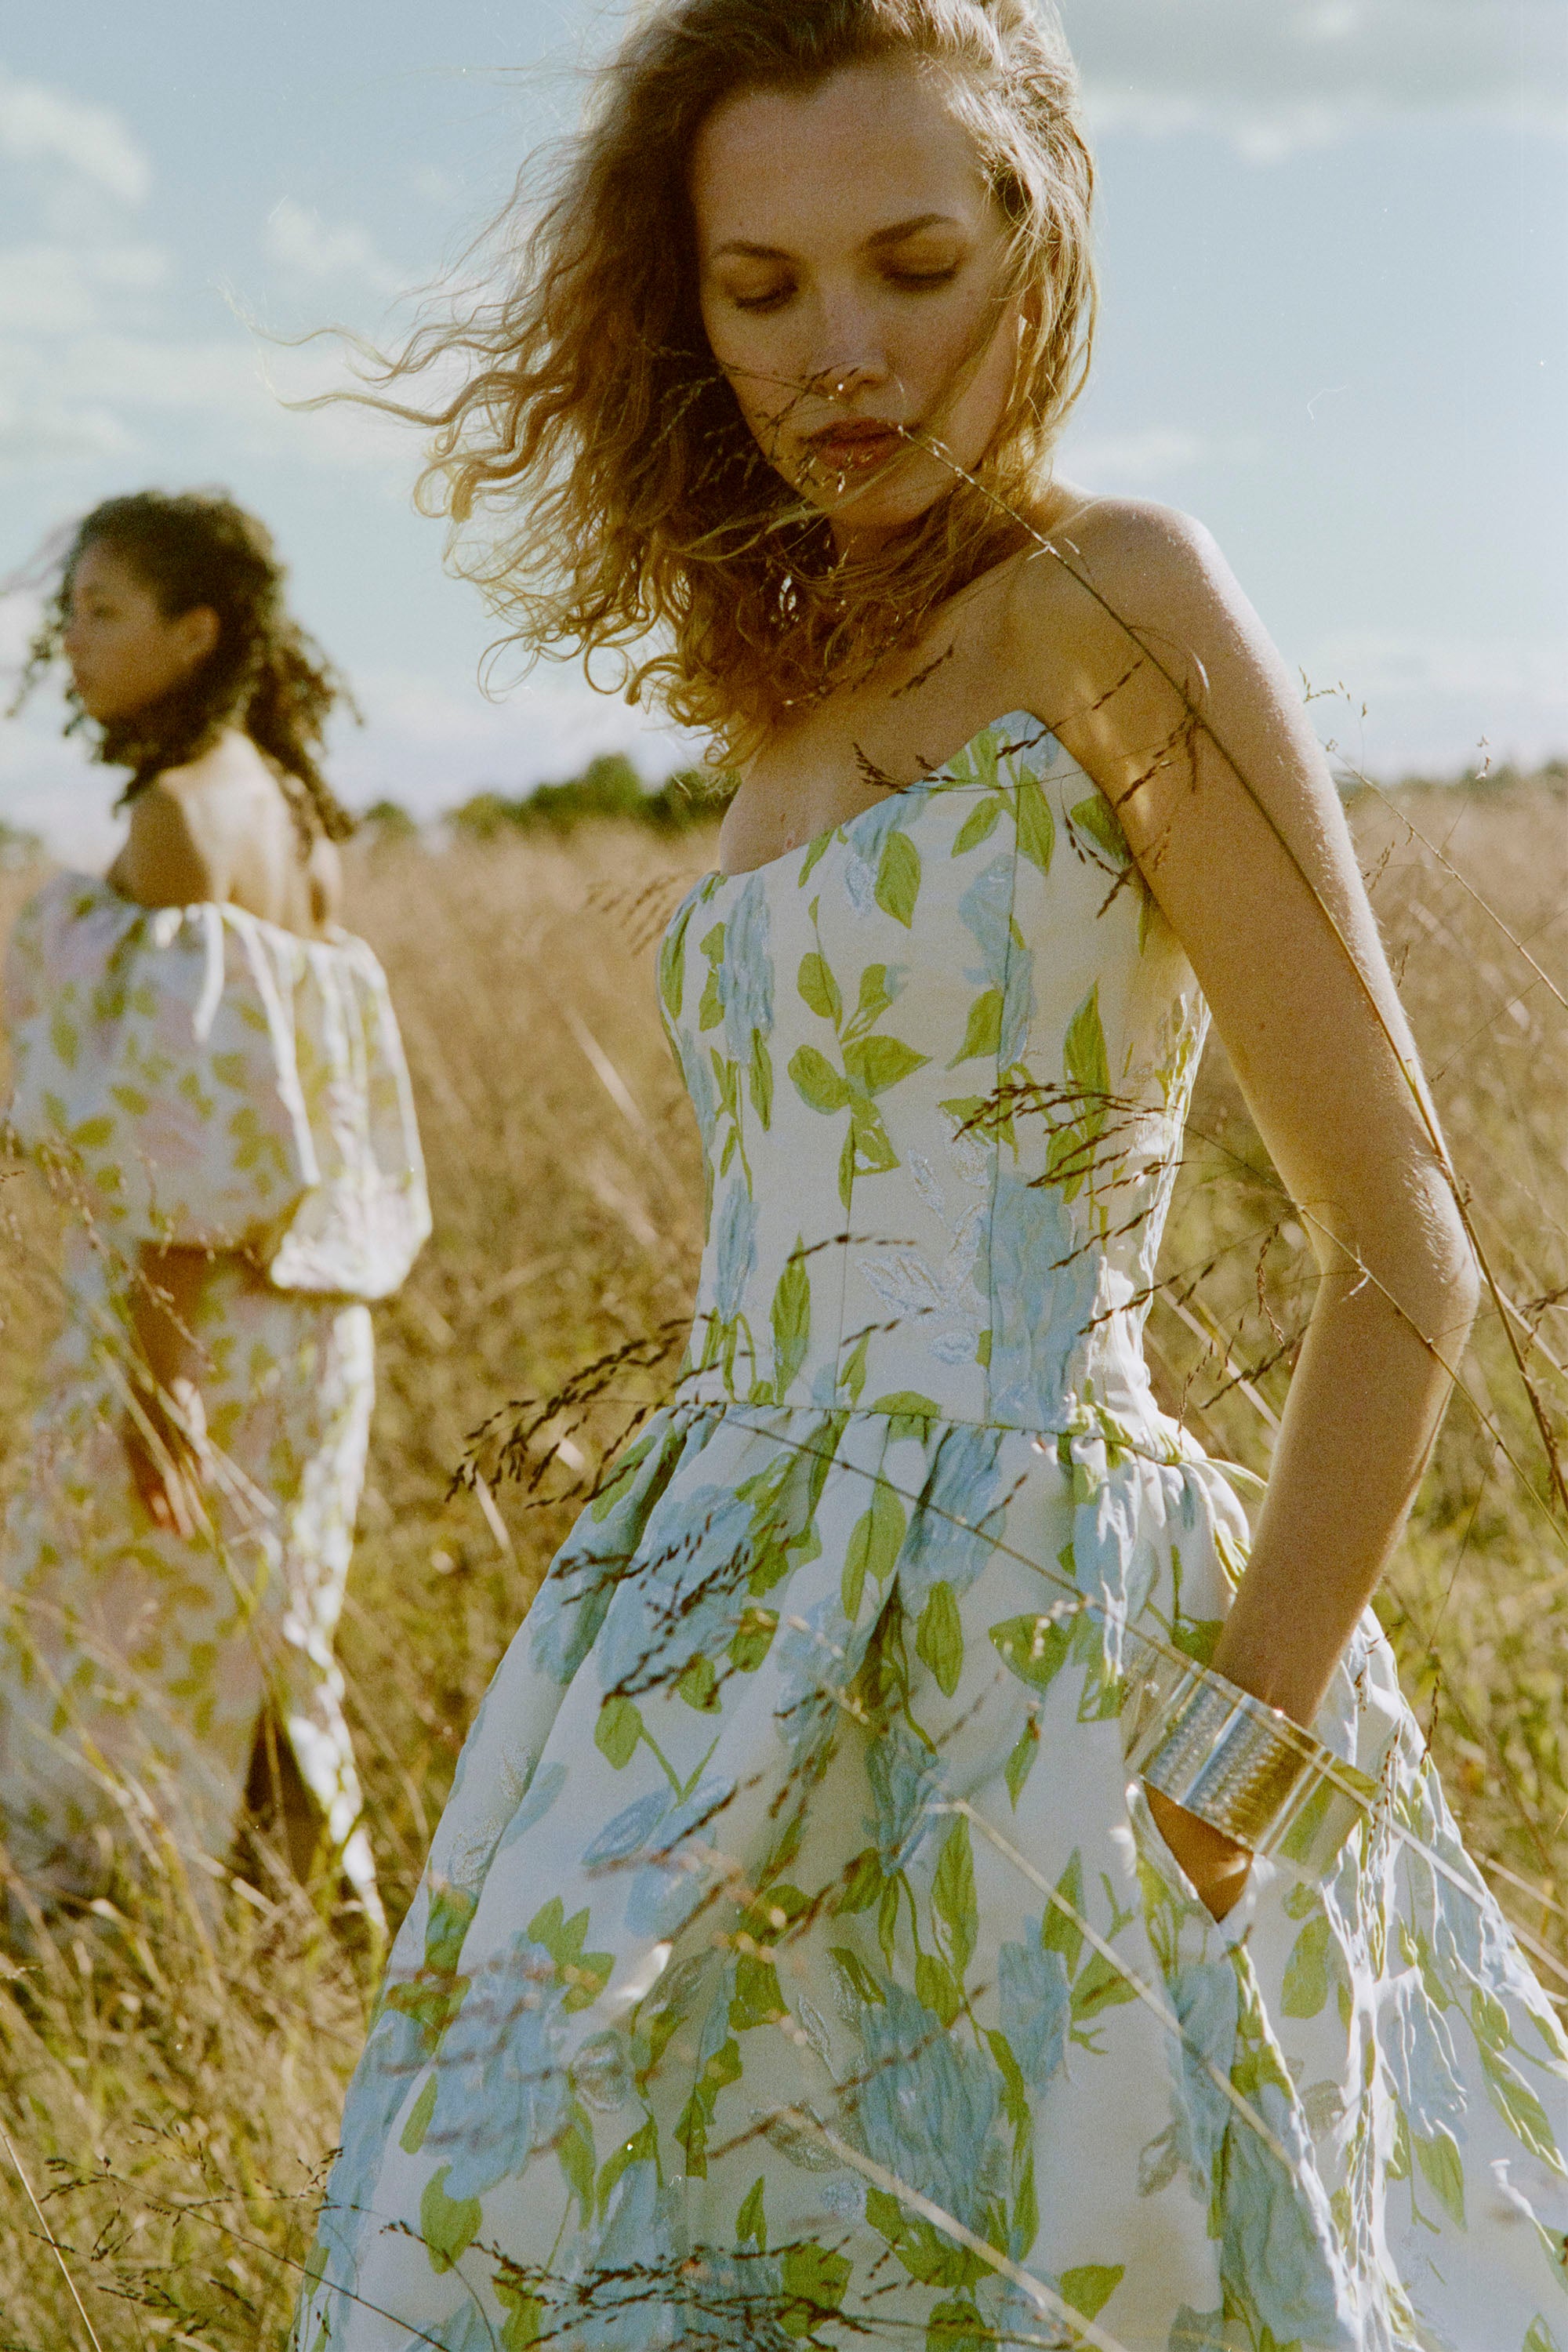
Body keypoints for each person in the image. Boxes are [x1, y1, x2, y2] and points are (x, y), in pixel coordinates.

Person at [296, 5, 1568, 2347]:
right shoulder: (793, 669)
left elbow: (1405, 1259)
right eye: (760, 288)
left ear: (1036, 243)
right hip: (702, 1634)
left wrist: (1225, 1769)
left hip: (1040, 1636)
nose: (840, 353)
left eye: (909, 264)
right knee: (512, 2256)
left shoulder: (1116, 597)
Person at [2, 490, 430, 1937]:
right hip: (308, 1326)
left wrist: (161, 1370)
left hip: (197, 1320)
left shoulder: (181, 819)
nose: (71, 640)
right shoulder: (295, 816)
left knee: (96, 1626)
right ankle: (298, 1936)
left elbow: (187, 1142)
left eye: (103, 611)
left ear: (197, 633)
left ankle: (98, 1927)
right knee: (262, 1635)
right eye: (70, 610)